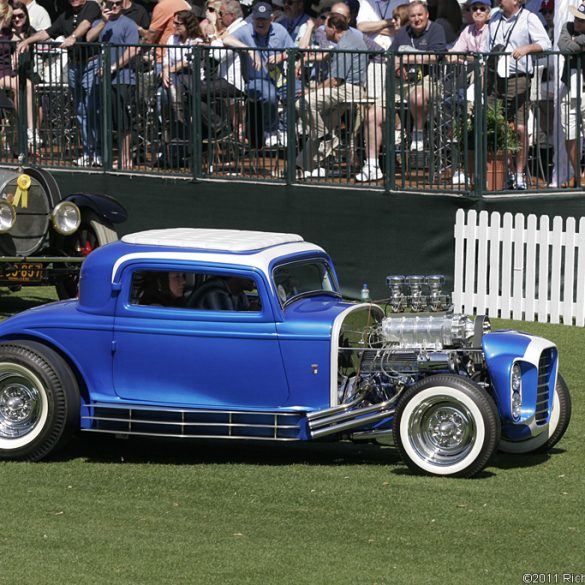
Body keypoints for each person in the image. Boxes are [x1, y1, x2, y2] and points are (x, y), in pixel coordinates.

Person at [17, 0, 103, 167]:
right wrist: (27, 41)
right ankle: (88, 152)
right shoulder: (65, 15)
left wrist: (73, 37)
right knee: (80, 111)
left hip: (91, 64)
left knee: (93, 109)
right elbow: (47, 32)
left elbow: (86, 24)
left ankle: (99, 153)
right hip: (74, 66)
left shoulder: (91, 6)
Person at [483, 0, 551, 190]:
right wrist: (483, 73)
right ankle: (507, 172)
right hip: (493, 76)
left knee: (519, 128)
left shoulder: (529, 18)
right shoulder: (494, 17)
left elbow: (546, 43)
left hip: (517, 78)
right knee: (496, 126)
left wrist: (527, 48)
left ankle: (520, 174)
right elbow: (485, 47)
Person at [295, 12, 368, 177]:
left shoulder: (345, 45)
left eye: (325, 27)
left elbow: (335, 80)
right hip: (351, 88)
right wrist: (304, 60)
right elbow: (329, 55)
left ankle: (326, 136)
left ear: (333, 29)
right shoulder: (350, 38)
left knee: (302, 103)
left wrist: (312, 90)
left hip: (348, 89)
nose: (323, 30)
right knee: (322, 125)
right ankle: (300, 167)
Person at [222, 2, 297, 148]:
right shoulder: (246, 30)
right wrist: (249, 49)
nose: (260, 22)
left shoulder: (280, 30)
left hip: (279, 78)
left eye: (264, 19)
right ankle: (270, 130)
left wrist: (281, 56)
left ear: (271, 18)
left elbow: (293, 50)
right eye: (257, 19)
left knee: (299, 93)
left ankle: (284, 129)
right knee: (269, 94)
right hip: (255, 80)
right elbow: (226, 39)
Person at [355, 2, 408, 182]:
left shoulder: (402, 2)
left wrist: (375, 30)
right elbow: (360, 29)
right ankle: (375, 159)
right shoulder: (366, 2)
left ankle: (394, 148)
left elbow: (403, 30)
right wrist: (387, 23)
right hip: (375, 63)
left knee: (393, 108)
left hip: (399, 64)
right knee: (372, 109)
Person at [87, 0, 140, 169]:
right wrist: (103, 21)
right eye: (111, 3)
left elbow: (132, 50)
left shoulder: (129, 24)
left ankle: (126, 158)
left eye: (118, 3)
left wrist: (113, 67)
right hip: (103, 80)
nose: (114, 6)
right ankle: (110, 156)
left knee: (124, 120)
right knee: (107, 119)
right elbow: (89, 38)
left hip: (123, 79)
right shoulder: (99, 22)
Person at [390, 0, 446, 152]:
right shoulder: (403, 32)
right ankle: (388, 148)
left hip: (428, 79)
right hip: (403, 81)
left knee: (418, 97)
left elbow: (436, 56)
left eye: (420, 15)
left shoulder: (436, 29)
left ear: (427, 15)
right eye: (413, 16)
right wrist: (396, 65)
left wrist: (406, 59)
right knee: (376, 109)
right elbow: (390, 54)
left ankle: (418, 133)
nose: (417, 19)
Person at [558, 1, 585, 188]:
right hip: (569, 88)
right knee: (569, 133)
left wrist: (577, 41)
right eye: (576, 17)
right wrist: (580, 44)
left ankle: (584, 174)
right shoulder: (567, 27)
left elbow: (571, 46)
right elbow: (564, 47)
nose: (576, 22)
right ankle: (577, 174)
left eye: (582, 20)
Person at [191, 276, 257, 311]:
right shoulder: (216, 293)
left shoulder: (240, 294)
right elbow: (229, 327)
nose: (254, 277)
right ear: (236, 275)